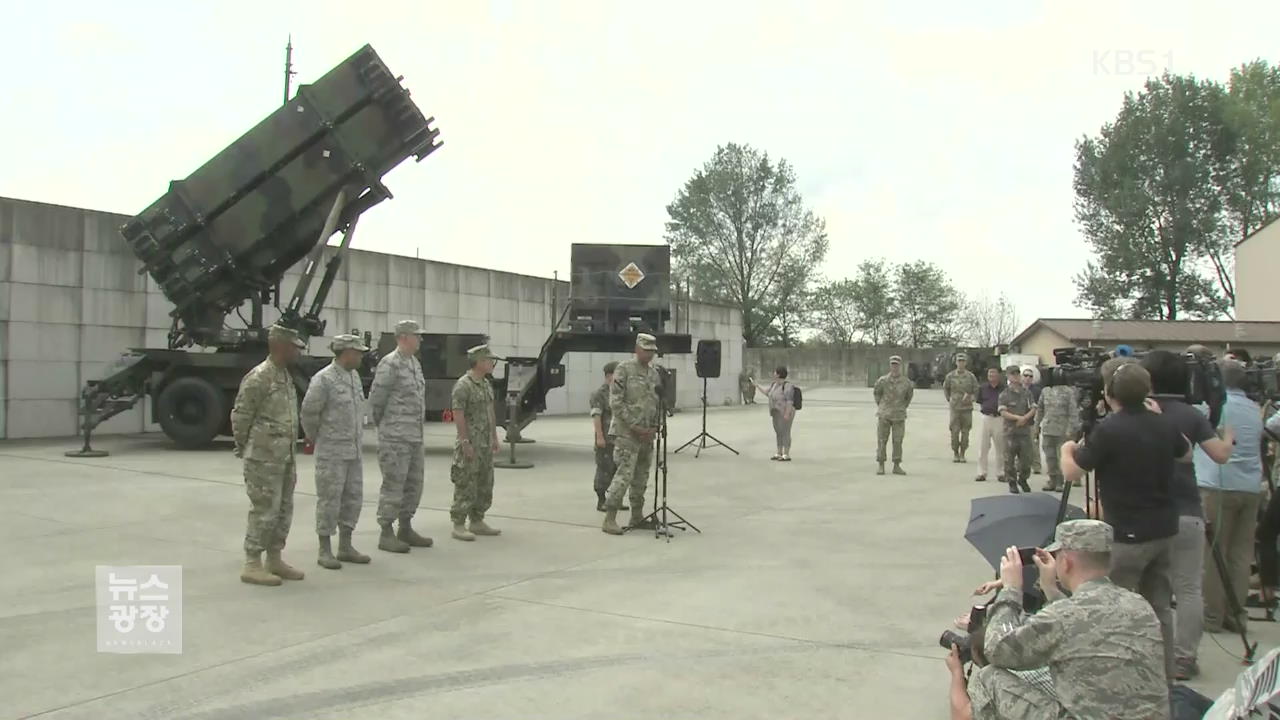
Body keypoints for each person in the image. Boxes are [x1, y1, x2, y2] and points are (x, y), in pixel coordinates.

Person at [1060, 359, 1191, 682]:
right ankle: (1162, 675)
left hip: (1126, 535)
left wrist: (1066, 449)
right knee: (1159, 607)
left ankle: (1111, 674)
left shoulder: (1109, 430)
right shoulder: (1163, 424)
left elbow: (1072, 472)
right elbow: (1185, 452)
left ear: (1109, 394)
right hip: (1164, 530)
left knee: (1111, 605)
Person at [983, 520, 1169, 720]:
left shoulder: (1062, 616)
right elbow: (1085, 622)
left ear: (1066, 562)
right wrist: (1050, 589)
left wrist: (1010, 591)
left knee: (989, 677)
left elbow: (996, 650)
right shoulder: (1140, 605)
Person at [1140, 350, 1234, 680]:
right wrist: (1229, 434)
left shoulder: (1138, 411)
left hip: (1148, 513)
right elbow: (1220, 454)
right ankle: (1184, 657)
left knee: (1155, 589)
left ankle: (1154, 654)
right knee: (1189, 587)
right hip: (1188, 509)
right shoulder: (1191, 414)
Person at [231, 323, 308, 586]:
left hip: (284, 457)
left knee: (283, 510)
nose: (298, 352)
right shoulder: (259, 377)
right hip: (263, 458)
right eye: (294, 348)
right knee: (264, 510)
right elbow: (241, 417)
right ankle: (252, 563)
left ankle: (274, 558)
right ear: (280, 347)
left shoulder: (284, 375)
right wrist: (248, 449)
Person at [1196, 358, 1265, 636]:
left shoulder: (1212, 408)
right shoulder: (1254, 408)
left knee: (1214, 555)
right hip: (1250, 486)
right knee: (1240, 554)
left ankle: (1213, 615)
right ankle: (1237, 615)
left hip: (1217, 485)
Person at [300, 333, 373, 570]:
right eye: (358, 352)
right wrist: (317, 438)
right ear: (346, 353)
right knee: (329, 500)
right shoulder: (324, 379)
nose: (361, 356)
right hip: (332, 451)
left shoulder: (353, 377)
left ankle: (345, 545)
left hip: (353, 450)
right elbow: (309, 414)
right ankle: (325, 549)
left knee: (352, 498)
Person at [369, 319, 431, 554]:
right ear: (403, 337)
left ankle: (405, 527)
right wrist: (386, 428)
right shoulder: (390, 364)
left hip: (414, 436)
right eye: (417, 336)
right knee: (394, 484)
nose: (420, 340)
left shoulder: (414, 363)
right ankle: (386, 531)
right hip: (395, 437)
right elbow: (377, 401)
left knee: (414, 484)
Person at [602, 333, 661, 535]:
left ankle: (637, 515)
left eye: (653, 351)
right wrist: (635, 426)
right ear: (637, 349)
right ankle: (609, 518)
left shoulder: (654, 374)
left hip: (647, 434)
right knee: (623, 476)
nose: (650, 355)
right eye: (646, 351)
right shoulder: (624, 369)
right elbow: (616, 402)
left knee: (641, 477)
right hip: (627, 434)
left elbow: (657, 402)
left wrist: (654, 426)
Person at [449, 344, 502, 541]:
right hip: (470, 442)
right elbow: (458, 414)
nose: (492, 364)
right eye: (489, 360)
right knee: (466, 482)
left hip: (485, 443)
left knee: (484, 482)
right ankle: (459, 523)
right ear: (479, 362)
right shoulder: (464, 385)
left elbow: (490, 412)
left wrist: (494, 437)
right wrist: (465, 442)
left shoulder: (486, 384)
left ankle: (478, 520)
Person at [590, 361, 626, 512]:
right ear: (609, 375)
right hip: (605, 437)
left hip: (619, 438)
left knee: (617, 470)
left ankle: (615, 500)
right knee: (604, 469)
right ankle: (601, 500)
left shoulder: (620, 393)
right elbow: (596, 416)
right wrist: (599, 437)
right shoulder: (600, 394)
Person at [873, 355, 914, 475]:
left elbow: (908, 397)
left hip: (899, 416)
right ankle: (881, 465)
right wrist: (882, 407)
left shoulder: (906, 383)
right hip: (884, 415)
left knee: (898, 441)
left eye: (896, 365)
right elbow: (877, 394)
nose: (894, 367)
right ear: (890, 365)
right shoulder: (882, 380)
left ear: (900, 366)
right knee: (881, 440)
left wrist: (901, 407)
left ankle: (897, 465)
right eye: (893, 364)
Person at [999, 366, 1036, 495]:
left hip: (1024, 432)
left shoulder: (1026, 393)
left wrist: (1025, 418)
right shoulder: (1004, 394)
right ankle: (1012, 482)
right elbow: (1003, 412)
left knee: (1026, 460)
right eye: (1012, 374)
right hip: (1010, 432)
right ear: (1008, 377)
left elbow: (1033, 408)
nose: (1015, 376)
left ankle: (1023, 479)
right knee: (1009, 460)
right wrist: (1017, 418)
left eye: (1017, 374)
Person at [1035, 383, 1078, 492]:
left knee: (1061, 457)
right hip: (1048, 429)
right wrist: (1037, 425)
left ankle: (1060, 482)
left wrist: (1071, 428)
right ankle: (1052, 480)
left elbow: (1073, 411)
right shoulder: (1045, 390)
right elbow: (1040, 409)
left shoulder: (1068, 391)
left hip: (1062, 430)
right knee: (1050, 457)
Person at [943, 354, 979, 463]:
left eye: (963, 361)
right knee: (954, 432)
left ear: (966, 363)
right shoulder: (950, 376)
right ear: (956, 362)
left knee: (965, 433)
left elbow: (976, 390)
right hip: (955, 408)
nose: (961, 363)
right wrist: (950, 399)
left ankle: (963, 453)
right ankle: (955, 453)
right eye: (959, 361)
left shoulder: (971, 376)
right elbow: (946, 388)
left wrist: (971, 398)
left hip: (967, 408)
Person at [755, 366, 797, 461]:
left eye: (775, 372)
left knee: (785, 432)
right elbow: (767, 393)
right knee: (778, 432)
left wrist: (787, 413)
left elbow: (790, 401)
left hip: (785, 411)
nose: (773, 374)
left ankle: (786, 453)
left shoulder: (787, 386)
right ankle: (779, 452)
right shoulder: (774, 384)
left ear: (778, 374)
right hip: (775, 412)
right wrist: (757, 386)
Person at [975, 368, 1005, 483]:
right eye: (989, 373)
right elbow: (980, 401)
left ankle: (1001, 473)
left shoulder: (1004, 389)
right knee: (983, 447)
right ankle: (981, 472)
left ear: (999, 375)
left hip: (999, 419)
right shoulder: (982, 388)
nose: (991, 375)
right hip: (986, 418)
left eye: (994, 373)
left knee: (1001, 448)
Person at [1021, 368, 1044, 475]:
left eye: (1030, 376)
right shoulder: (1017, 389)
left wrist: (1038, 423)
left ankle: (1036, 466)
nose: (1028, 378)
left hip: (1032, 422)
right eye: (1026, 375)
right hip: (1019, 421)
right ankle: (1019, 465)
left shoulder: (1037, 391)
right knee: (1019, 445)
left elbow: (1041, 407)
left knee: (1034, 445)